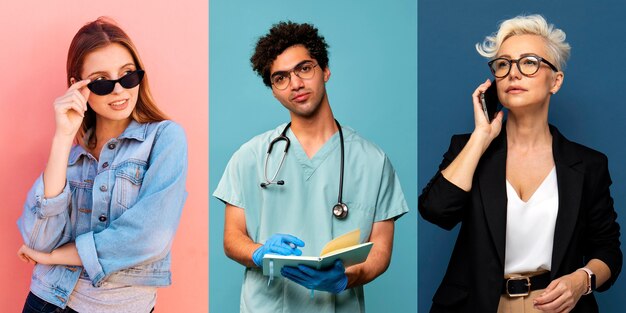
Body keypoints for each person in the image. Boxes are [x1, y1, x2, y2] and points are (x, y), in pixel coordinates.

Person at [419, 14, 622, 313]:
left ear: (555, 81)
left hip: (553, 306)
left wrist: (581, 281)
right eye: (503, 64)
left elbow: (608, 250)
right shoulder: (468, 148)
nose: (513, 73)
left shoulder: (588, 165)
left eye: (529, 62)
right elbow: (436, 211)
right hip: (477, 305)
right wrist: (481, 137)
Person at [214, 21, 409, 313]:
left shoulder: (373, 161)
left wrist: (345, 279)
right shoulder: (251, 156)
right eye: (280, 78)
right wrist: (259, 253)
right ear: (273, 91)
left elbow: (380, 251)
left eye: (304, 69)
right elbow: (232, 238)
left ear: (325, 70)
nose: (295, 84)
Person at [16, 17, 188, 313]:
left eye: (128, 75)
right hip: (46, 300)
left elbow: (150, 237)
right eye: (102, 81)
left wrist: (57, 257)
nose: (120, 90)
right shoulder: (72, 157)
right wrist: (64, 136)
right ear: (78, 87)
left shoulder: (165, 138)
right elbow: (38, 240)